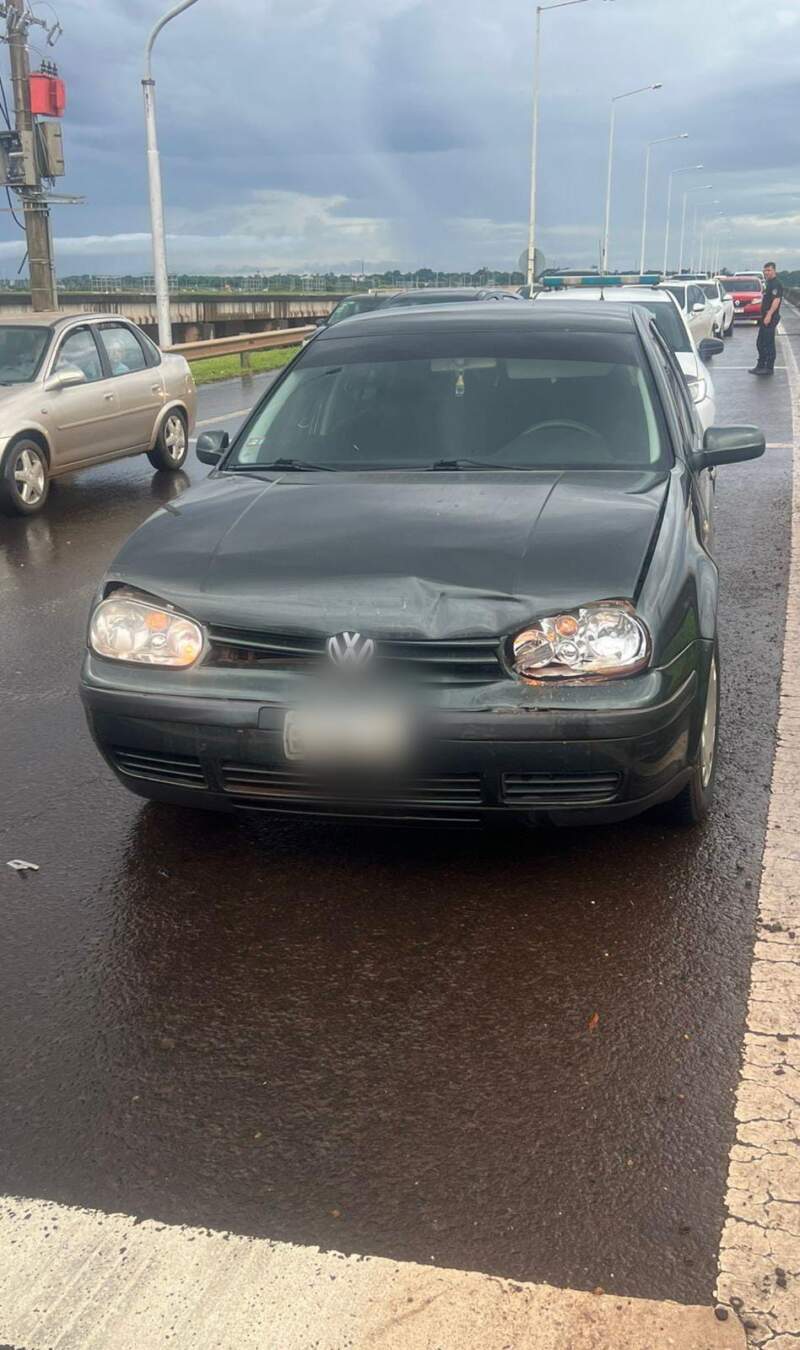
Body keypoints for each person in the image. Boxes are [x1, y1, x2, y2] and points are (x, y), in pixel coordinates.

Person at [749, 261, 783, 376]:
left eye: (769, 270)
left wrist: (769, 314)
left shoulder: (776, 284)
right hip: (765, 316)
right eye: (765, 270)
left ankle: (769, 367)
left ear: (774, 271)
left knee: (768, 343)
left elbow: (776, 300)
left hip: (771, 316)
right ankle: (760, 365)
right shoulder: (769, 283)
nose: (766, 272)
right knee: (760, 342)